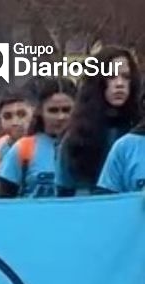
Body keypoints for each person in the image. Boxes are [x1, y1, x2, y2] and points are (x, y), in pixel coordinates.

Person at [59, 46, 141, 195]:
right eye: (111, 76)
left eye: (126, 77)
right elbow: (63, 194)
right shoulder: (76, 136)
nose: (119, 84)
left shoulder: (138, 134)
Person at [0, 78, 76, 198]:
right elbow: (4, 200)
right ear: (40, 111)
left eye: (66, 110)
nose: (60, 117)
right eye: (53, 111)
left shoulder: (88, 146)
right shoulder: (24, 148)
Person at [0, 90, 33, 157]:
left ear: (33, 114)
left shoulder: (49, 147)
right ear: (0, 119)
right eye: (7, 116)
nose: (15, 122)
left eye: (22, 114)